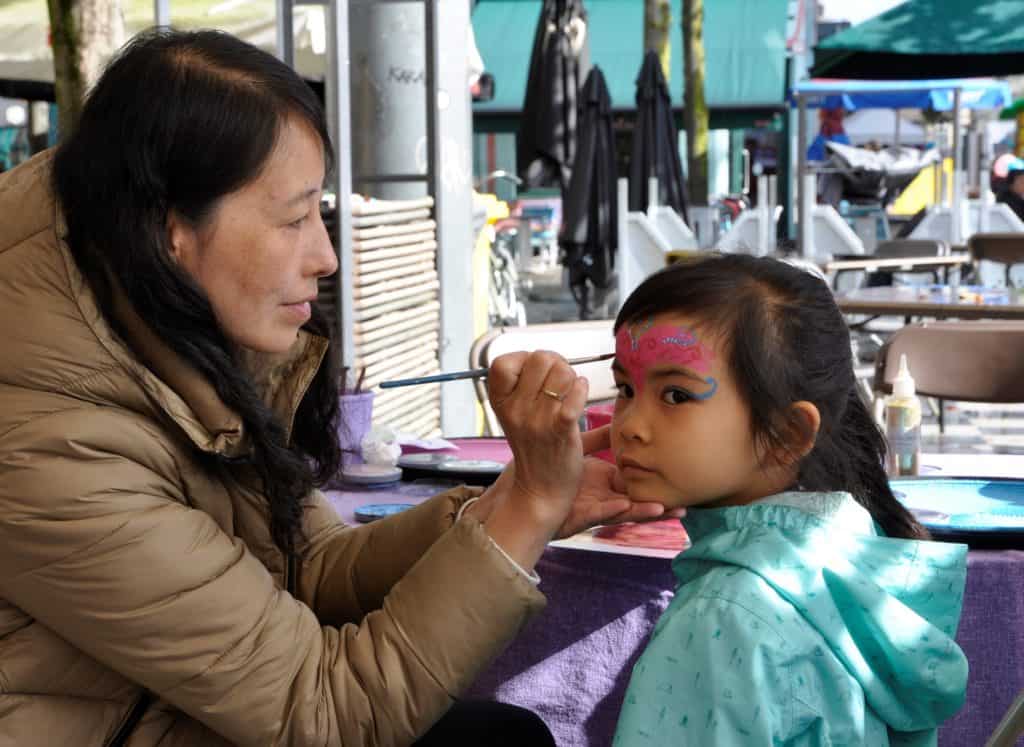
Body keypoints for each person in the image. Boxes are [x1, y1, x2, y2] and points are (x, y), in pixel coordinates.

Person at [0, 29, 673, 746]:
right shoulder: (48, 444)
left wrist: (512, 503)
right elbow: (325, 714)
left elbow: (313, 567)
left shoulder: (161, 320)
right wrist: (528, 510)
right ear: (172, 231)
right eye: (294, 219)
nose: (325, 257)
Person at [609, 255, 969, 746]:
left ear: (787, 433)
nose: (629, 425)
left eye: (676, 396)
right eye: (625, 389)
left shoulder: (723, 616)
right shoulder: (846, 548)